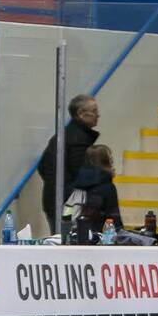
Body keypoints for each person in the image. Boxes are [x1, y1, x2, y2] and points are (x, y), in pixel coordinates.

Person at [36, 93, 107, 234]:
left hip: (54, 199)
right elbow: (79, 172)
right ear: (81, 113)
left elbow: (42, 166)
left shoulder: (65, 134)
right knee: (68, 242)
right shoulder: (78, 139)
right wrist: (105, 175)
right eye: (94, 111)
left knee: (57, 238)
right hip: (68, 203)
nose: (98, 115)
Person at [70, 145, 123, 241]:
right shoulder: (107, 187)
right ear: (106, 162)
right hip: (99, 238)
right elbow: (113, 218)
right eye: (110, 159)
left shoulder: (78, 184)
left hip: (77, 233)